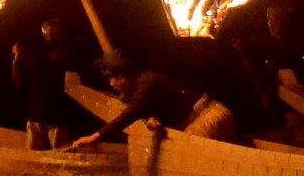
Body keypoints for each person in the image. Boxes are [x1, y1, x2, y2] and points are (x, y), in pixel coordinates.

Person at [71, 51, 204, 148]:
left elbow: (131, 113)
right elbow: (148, 107)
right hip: (189, 117)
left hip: (202, 113)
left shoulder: (147, 83)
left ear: (121, 77)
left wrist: (94, 136)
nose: (111, 84)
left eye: (111, 79)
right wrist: (151, 117)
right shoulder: (140, 85)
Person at [13, 17, 79, 150]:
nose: (50, 35)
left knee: (62, 155)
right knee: (34, 156)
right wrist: (17, 58)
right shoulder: (37, 55)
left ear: (60, 34)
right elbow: (19, 80)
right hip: (36, 115)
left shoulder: (68, 54)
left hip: (58, 117)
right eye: (48, 33)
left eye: (53, 32)